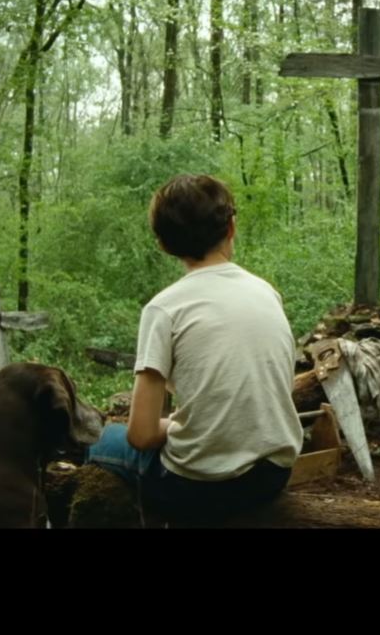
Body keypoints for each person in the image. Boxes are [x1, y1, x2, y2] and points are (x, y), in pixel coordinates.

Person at [86, 174, 302, 524]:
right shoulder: (266, 292)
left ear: (163, 244)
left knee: (101, 441)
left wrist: (172, 425)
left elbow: (141, 434)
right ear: (231, 227)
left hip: (199, 488)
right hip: (272, 475)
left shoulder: (164, 309)